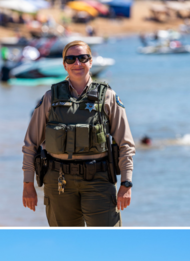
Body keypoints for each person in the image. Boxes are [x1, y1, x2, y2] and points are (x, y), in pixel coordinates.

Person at [22, 40, 135, 227]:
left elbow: (126, 144)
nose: (77, 63)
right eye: (71, 59)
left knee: (106, 243)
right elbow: (30, 144)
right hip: (58, 182)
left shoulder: (108, 96)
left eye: (83, 58)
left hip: (99, 180)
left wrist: (126, 183)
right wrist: (28, 185)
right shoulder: (50, 98)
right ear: (64, 64)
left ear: (91, 62)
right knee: (67, 244)